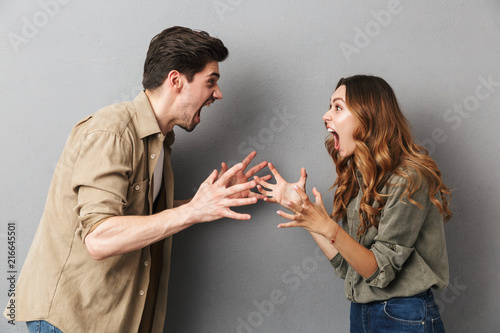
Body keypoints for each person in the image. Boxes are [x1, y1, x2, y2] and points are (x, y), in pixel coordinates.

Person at [5, 26, 270, 332]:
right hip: (70, 322)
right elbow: (100, 237)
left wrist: (205, 203)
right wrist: (193, 210)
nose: (218, 94)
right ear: (176, 80)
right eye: (211, 82)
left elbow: (135, 218)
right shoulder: (113, 131)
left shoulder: (158, 141)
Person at [255, 75, 452, 332]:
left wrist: (326, 225)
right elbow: (349, 266)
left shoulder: (408, 178)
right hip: (363, 312)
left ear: (367, 116)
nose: (326, 115)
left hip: (404, 316)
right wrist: (304, 212)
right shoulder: (360, 177)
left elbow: (380, 271)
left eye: (337, 107)